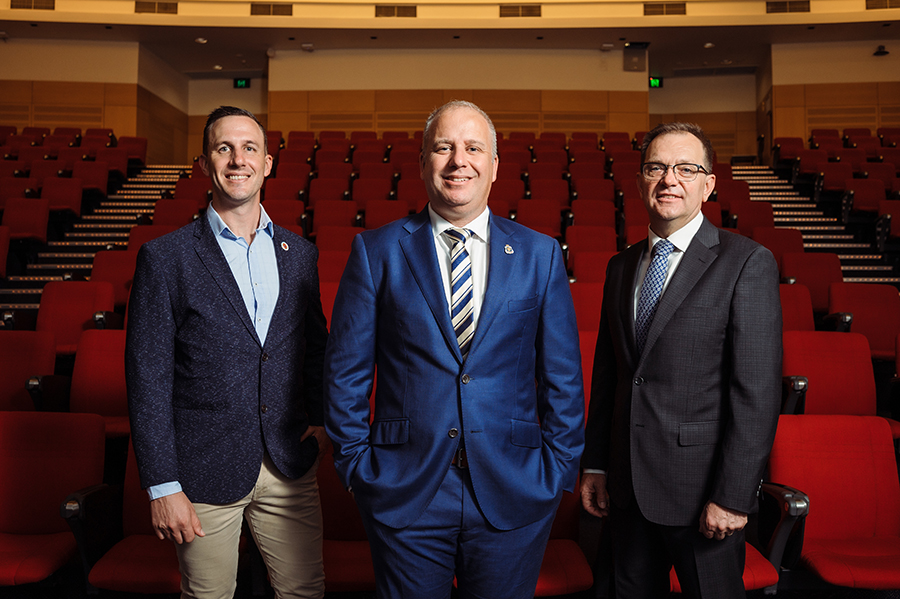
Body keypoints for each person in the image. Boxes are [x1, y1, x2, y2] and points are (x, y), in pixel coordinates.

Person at [323, 100, 584, 599]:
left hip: (515, 484)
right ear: (423, 163)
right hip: (405, 487)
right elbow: (346, 373)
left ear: (493, 166)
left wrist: (556, 470)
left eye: (472, 148)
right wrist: (358, 466)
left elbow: (563, 377)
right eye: (443, 147)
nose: (457, 160)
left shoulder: (539, 253)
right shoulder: (376, 251)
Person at [125, 106, 329, 599]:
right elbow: (147, 378)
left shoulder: (300, 254)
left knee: (306, 592)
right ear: (204, 164)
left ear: (268, 163)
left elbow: (314, 347)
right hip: (202, 468)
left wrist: (322, 421)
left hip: (288, 462)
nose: (238, 159)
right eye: (224, 148)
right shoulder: (165, 257)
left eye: (249, 148)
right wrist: (162, 486)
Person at [580, 122, 782, 598]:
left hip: (703, 497)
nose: (670, 179)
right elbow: (610, 377)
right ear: (640, 180)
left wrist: (733, 496)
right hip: (626, 491)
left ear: (708, 184)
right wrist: (596, 465)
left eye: (686, 168)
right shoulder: (621, 266)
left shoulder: (746, 262)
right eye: (657, 167)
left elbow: (755, 392)